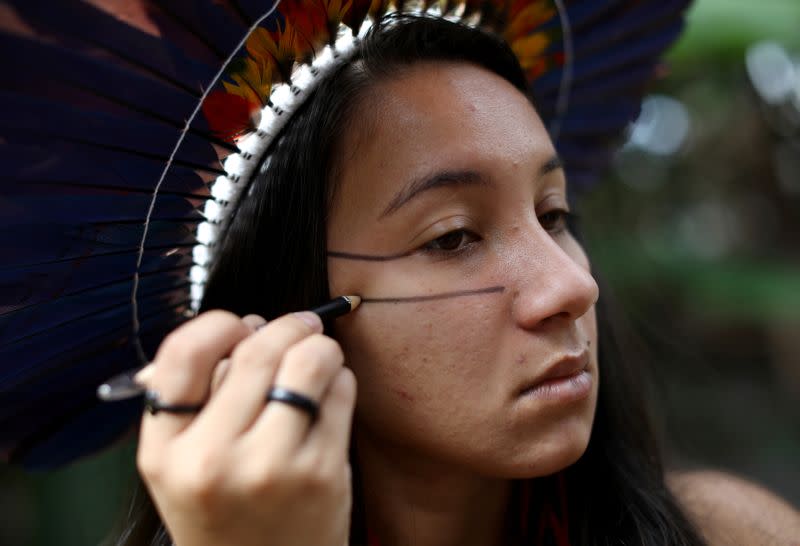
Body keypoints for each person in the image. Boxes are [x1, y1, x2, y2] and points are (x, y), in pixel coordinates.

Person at [116, 13, 800, 546]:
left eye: (553, 213)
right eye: (452, 236)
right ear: (294, 313)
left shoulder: (729, 531)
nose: (571, 287)